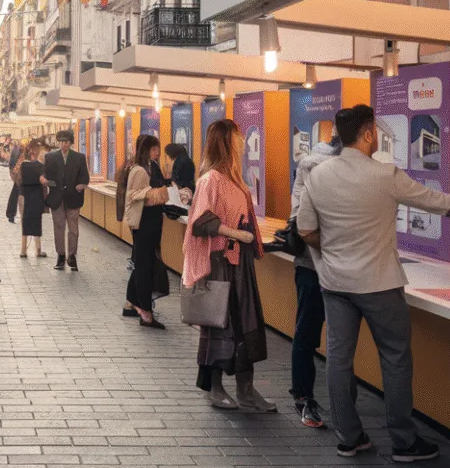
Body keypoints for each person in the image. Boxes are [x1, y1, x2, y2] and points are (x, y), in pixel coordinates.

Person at [297, 104, 450, 462]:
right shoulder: (385, 174)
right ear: (368, 133)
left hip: (336, 283)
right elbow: (440, 203)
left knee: (338, 360)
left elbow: (306, 230)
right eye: (375, 131)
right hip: (380, 283)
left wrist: (335, 252)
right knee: (395, 359)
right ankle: (403, 442)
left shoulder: (317, 175)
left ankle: (349, 439)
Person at [183, 118, 276, 413]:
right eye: (238, 137)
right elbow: (201, 221)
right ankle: (215, 387)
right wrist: (236, 234)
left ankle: (246, 389)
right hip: (221, 262)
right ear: (226, 141)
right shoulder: (211, 180)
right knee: (219, 324)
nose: (242, 142)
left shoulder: (235, 179)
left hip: (239, 262)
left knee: (246, 322)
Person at [287, 133, 342, 428]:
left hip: (312, 264)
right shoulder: (324, 170)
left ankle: (304, 396)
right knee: (321, 334)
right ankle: (308, 398)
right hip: (320, 263)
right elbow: (307, 224)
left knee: (307, 332)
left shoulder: (308, 164)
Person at [123, 135, 171, 328]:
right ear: (145, 150)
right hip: (144, 223)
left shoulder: (153, 167)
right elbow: (132, 194)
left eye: (158, 149)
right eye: (153, 149)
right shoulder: (139, 170)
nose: (157, 152)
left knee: (145, 262)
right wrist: (155, 194)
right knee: (144, 266)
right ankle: (145, 312)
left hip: (153, 221)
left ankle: (132, 303)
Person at [42, 130, 90, 271]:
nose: (64, 144)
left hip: (74, 197)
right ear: (59, 142)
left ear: (71, 143)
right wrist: (44, 179)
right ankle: (61, 255)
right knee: (58, 227)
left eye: (67, 142)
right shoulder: (50, 157)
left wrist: (81, 185)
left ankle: (72, 256)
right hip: (56, 198)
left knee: (73, 228)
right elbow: (45, 173)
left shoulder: (79, 157)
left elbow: (85, 177)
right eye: (62, 142)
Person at [12, 140, 49, 259]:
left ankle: (26, 250)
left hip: (24, 195)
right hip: (33, 196)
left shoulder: (23, 163)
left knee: (26, 221)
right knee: (34, 220)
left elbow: (16, 176)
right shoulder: (37, 165)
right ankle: (34, 250)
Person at [5, 139, 22, 224]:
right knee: (17, 193)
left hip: (19, 174)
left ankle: (11, 214)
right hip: (20, 175)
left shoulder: (17, 148)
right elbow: (13, 162)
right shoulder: (19, 149)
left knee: (15, 193)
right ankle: (11, 214)